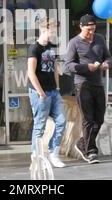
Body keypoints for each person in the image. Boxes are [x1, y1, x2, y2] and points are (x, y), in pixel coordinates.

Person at [65, 14, 112, 164]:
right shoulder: (74, 43)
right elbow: (69, 65)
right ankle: (91, 151)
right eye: (88, 30)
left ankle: (82, 143)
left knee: (99, 118)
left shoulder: (100, 39)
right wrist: (87, 67)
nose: (91, 32)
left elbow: (109, 57)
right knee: (88, 119)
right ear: (81, 27)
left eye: (93, 29)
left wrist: (106, 64)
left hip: (98, 83)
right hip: (82, 84)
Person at [27, 17, 66, 168]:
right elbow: (31, 73)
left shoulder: (52, 46)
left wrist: (57, 88)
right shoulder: (34, 48)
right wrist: (41, 93)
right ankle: (35, 158)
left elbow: (55, 68)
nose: (54, 34)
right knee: (40, 125)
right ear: (44, 30)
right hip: (40, 93)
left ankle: (53, 153)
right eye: (52, 31)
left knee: (62, 121)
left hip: (53, 91)